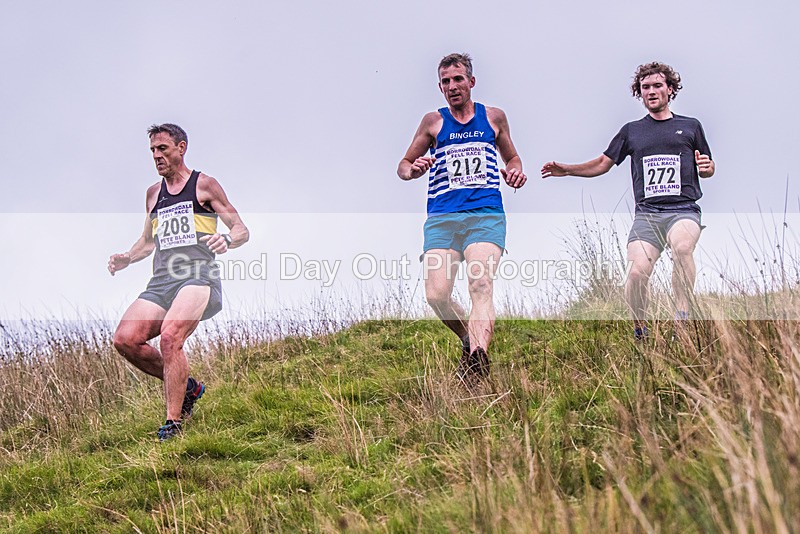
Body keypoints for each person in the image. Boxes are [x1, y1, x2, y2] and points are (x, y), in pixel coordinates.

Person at [541, 62, 715, 339]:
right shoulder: (632, 131)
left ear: (670, 90)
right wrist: (568, 170)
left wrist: (707, 168)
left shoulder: (690, 126)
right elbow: (602, 163)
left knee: (682, 248)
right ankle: (640, 329)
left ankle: (681, 319)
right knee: (636, 275)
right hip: (646, 214)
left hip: (682, 209)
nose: (652, 91)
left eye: (658, 86)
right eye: (645, 88)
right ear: (640, 93)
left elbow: (707, 166)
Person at [108, 123, 249, 440]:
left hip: (198, 274)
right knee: (125, 339)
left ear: (181, 148)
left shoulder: (205, 185)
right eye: (153, 151)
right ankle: (189, 386)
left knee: (171, 337)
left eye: (163, 149)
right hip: (162, 280)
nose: (157, 156)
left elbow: (241, 229)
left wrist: (227, 239)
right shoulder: (153, 194)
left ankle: (173, 423)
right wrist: (127, 257)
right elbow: (146, 242)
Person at [398, 53, 527, 381]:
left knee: (481, 284)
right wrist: (412, 170)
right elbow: (403, 165)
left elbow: (512, 156)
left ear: (471, 81)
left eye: (458, 79)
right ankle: (468, 338)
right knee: (436, 295)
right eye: (445, 82)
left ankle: (478, 359)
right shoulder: (433, 122)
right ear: (440, 87)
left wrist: (514, 171)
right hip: (442, 218)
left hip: (485, 214)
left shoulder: (494, 117)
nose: (452, 86)